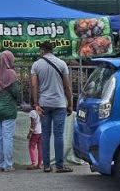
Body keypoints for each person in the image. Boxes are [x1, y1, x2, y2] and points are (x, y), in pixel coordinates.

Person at [30, 41, 74, 173]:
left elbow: (33, 86)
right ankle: (60, 166)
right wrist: (70, 103)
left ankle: (47, 166)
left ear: (42, 50)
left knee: (45, 135)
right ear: (52, 50)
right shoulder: (61, 63)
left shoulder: (36, 65)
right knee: (59, 135)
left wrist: (36, 104)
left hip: (44, 104)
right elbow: (67, 86)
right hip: (59, 104)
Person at [0, 51, 22, 172]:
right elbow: (16, 93)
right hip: (8, 110)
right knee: (7, 137)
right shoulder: (11, 74)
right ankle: (8, 165)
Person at [26, 104, 43, 170]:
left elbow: (33, 124)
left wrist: (30, 133)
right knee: (40, 148)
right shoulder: (42, 111)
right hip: (42, 132)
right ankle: (39, 164)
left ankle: (33, 163)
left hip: (35, 132)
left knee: (31, 147)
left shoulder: (33, 112)